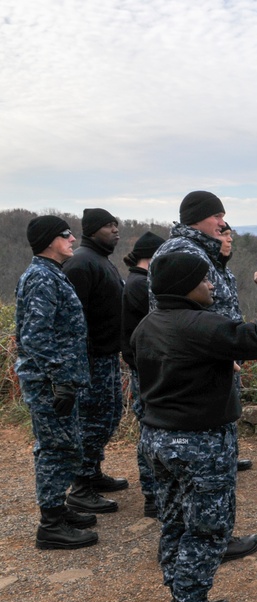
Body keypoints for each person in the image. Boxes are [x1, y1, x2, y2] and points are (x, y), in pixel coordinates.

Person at [132, 252, 257, 602]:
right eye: (204, 280)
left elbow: (157, 366)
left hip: (157, 440)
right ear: (186, 286)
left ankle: (185, 601)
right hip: (199, 443)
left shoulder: (148, 325)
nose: (211, 285)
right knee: (208, 529)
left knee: (175, 522)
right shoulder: (203, 325)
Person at [150, 191, 257, 562]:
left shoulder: (202, 250)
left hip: (215, 356)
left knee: (214, 468)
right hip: (205, 367)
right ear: (197, 218)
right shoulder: (184, 252)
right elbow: (172, 315)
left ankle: (211, 536)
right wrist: (217, 351)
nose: (223, 223)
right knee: (208, 470)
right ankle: (212, 540)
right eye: (217, 216)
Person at [15, 215, 99, 549]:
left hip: (57, 380)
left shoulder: (51, 274)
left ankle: (57, 509)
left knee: (65, 446)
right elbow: (35, 337)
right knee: (56, 449)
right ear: (51, 241)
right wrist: (60, 379)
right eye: (65, 234)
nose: (73, 239)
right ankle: (50, 525)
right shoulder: (41, 278)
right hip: (49, 382)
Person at [61, 207, 126, 515]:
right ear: (91, 231)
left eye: (116, 225)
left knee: (109, 416)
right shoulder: (81, 263)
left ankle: (93, 472)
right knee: (92, 421)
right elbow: (73, 319)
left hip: (107, 355)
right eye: (108, 226)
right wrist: (78, 363)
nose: (115, 230)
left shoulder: (101, 261)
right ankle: (81, 487)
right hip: (90, 360)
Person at [120, 231, 166, 518]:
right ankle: (152, 495)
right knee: (150, 430)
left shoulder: (137, 281)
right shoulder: (140, 285)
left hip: (144, 365)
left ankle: (155, 493)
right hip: (145, 368)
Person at [219, 222, 252, 472]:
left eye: (231, 235)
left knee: (231, 407)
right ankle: (219, 459)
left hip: (230, 352)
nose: (230, 240)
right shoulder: (203, 269)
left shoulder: (226, 273)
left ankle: (229, 455)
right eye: (224, 235)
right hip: (215, 354)